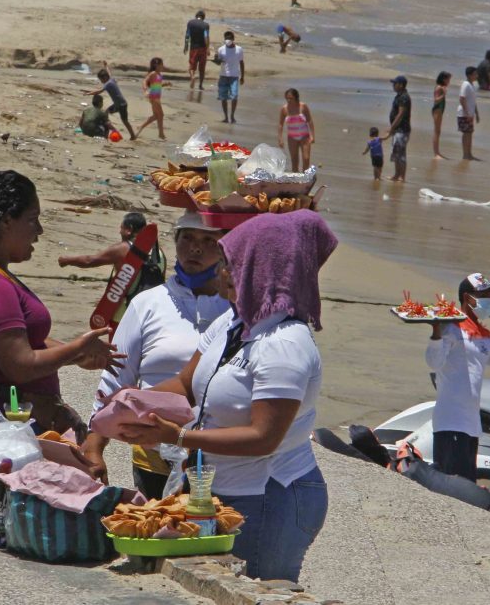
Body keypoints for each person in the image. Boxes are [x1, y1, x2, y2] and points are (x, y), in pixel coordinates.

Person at [118, 210, 338, 582]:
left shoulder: (284, 344)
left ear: (261, 269)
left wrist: (178, 437)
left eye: (231, 261)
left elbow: (263, 437)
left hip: (270, 497)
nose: (221, 268)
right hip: (219, 486)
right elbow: (187, 384)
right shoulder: (234, 321)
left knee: (254, 589)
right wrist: (127, 405)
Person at [0, 170, 125, 437]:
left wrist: (76, 355)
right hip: (9, 431)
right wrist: (79, 346)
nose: (39, 231)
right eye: (33, 220)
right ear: (6, 222)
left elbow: (21, 338)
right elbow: (21, 365)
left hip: (9, 422)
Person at [82, 212, 230, 498]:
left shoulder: (234, 309)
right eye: (187, 238)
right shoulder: (148, 303)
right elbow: (115, 378)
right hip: (153, 456)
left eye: (208, 240)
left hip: (219, 456)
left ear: (226, 248)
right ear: (174, 243)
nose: (195, 248)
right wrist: (94, 446)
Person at [426, 273, 490, 482]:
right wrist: (436, 332)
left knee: (466, 484)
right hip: (450, 422)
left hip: (471, 425)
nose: (488, 300)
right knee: (450, 485)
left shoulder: (484, 336)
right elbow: (433, 362)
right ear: (467, 297)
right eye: (483, 295)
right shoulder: (450, 329)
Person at [58, 213, 147, 270]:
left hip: (133, 296)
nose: (120, 232)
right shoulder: (157, 251)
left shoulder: (123, 248)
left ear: (129, 230)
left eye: (122, 228)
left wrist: (67, 260)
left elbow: (89, 261)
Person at [84, 63, 137, 141]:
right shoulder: (111, 79)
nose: (101, 81)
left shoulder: (108, 84)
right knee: (106, 112)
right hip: (117, 104)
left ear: (105, 77)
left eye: (101, 79)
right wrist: (106, 66)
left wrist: (89, 93)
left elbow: (99, 91)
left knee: (125, 121)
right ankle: (107, 126)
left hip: (122, 105)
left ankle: (132, 136)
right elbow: (109, 73)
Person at [277, 88, 316, 172]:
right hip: (292, 137)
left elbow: (310, 120)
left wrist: (312, 136)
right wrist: (280, 139)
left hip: (304, 136)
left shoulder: (303, 106)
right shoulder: (284, 109)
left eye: (291, 98)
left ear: (296, 97)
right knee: (294, 160)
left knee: (306, 158)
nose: (289, 100)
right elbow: (280, 124)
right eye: (287, 98)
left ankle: (304, 178)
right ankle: (296, 179)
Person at [214, 31, 245, 125]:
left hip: (234, 76)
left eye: (230, 39)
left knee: (234, 96)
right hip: (223, 75)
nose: (228, 40)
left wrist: (242, 76)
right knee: (223, 97)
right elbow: (218, 62)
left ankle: (232, 115)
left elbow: (241, 62)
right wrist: (216, 59)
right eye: (226, 39)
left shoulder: (239, 49)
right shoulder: (220, 49)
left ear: (233, 39)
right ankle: (226, 117)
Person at [385, 75, 411, 182]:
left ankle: (402, 176)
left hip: (402, 130)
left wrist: (392, 128)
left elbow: (400, 114)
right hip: (398, 130)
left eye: (394, 83)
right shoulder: (399, 96)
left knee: (400, 153)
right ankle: (396, 175)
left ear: (400, 85)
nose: (393, 86)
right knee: (396, 152)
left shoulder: (404, 97)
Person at [137, 57, 170, 140]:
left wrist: (165, 84)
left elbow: (157, 85)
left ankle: (141, 127)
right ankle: (161, 134)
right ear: (156, 65)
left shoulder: (159, 75)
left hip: (157, 97)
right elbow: (144, 81)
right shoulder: (153, 73)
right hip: (153, 96)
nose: (163, 66)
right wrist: (145, 91)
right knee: (161, 115)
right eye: (161, 64)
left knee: (156, 116)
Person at [457, 66, 480, 161]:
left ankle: (469, 154)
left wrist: (477, 114)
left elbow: (473, 102)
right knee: (466, 133)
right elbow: (462, 99)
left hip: (470, 114)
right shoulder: (465, 84)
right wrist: (467, 113)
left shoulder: (472, 85)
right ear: (470, 75)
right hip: (464, 114)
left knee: (470, 133)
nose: (477, 75)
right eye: (475, 74)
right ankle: (465, 155)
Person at [184, 10, 210, 91]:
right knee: (202, 68)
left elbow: (187, 35)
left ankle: (192, 76)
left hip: (193, 48)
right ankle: (201, 85)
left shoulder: (190, 23)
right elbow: (206, 36)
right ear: (203, 17)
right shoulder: (206, 25)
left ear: (196, 16)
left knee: (192, 66)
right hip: (203, 48)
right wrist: (208, 48)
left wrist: (186, 46)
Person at [431, 71, 451, 160]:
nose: (449, 81)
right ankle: (436, 153)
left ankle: (437, 152)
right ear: (443, 79)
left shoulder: (442, 87)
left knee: (438, 131)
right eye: (448, 79)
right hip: (437, 109)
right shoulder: (439, 88)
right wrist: (443, 94)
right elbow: (436, 100)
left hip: (440, 109)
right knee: (436, 131)